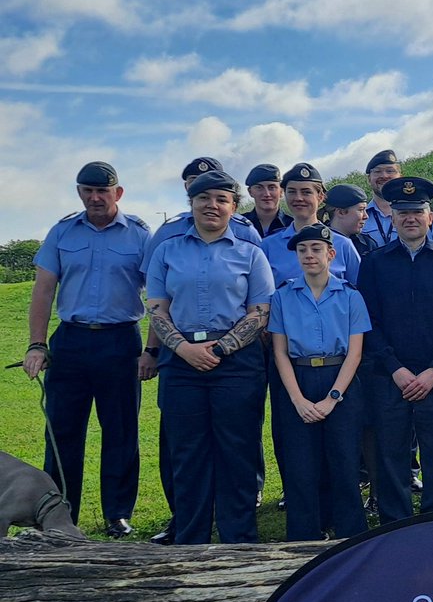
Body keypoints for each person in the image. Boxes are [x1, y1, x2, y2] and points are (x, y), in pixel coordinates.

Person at [145, 170, 274, 544]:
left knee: (238, 450)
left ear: (234, 207)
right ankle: (191, 539)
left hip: (236, 363)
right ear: (192, 203)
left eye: (221, 199)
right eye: (204, 198)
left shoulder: (251, 253)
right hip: (180, 361)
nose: (212, 206)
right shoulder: (167, 250)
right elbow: (156, 309)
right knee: (187, 454)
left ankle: (238, 538)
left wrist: (220, 349)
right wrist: (184, 349)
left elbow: (259, 312)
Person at [25, 161, 151, 537]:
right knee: (62, 433)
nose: (95, 198)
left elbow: (160, 290)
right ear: (79, 192)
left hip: (121, 340)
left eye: (103, 191)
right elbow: (44, 290)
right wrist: (36, 344)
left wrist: (155, 349)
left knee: (121, 430)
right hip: (71, 341)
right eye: (87, 191)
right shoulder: (62, 231)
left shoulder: (141, 236)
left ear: (118, 193)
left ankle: (117, 513)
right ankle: (60, 515)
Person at [357, 177, 433, 522]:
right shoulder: (374, 264)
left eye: (417, 211)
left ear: (430, 216)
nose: (410, 218)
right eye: (402, 212)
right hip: (391, 374)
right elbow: (368, 321)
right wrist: (395, 368)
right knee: (391, 452)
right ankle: (396, 523)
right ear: (392, 216)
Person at [268, 223, 371, 541]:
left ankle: (349, 534)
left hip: (339, 379)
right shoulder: (283, 296)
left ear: (330, 253)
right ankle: (303, 535)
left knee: (343, 460)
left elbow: (355, 353)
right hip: (297, 380)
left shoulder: (351, 296)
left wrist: (333, 397)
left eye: (316, 249)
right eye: (302, 250)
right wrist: (298, 400)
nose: (309, 256)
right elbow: (280, 352)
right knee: (301, 464)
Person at [261, 163, 361, 286]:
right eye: (292, 192)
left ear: (320, 196)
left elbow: (359, 291)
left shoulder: (343, 245)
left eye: (306, 192)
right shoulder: (268, 246)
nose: (298, 198)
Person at [360, 149, 402, 248]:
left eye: (390, 171)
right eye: (378, 171)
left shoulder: (415, 214)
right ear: (369, 179)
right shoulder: (358, 216)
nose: (384, 176)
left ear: (400, 176)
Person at [326, 183, 378, 258]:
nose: (366, 216)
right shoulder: (315, 241)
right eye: (361, 210)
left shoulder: (367, 244)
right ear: (341, 212)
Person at [244, 164, 292, 237]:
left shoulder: (292, 226)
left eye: (272, 187)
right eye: (259, 188)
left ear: (281, 192)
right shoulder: (239, 225)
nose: (266, 194)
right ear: (250, 192)